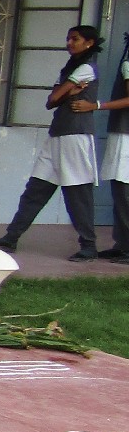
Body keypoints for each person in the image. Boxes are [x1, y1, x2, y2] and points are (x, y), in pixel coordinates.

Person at [0, 25, 103, 261]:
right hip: (58, 134)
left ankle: (88, 246)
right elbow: (51, 101)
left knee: (77, 193)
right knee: (36, 189)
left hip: (75, 136)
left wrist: (64, 93)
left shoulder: (87, 68)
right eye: (68, 38)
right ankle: (11, 237)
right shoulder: (71, 68)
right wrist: (69, 92)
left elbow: (55, 96)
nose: (69, 43)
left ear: (89, 43)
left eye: (75, 39)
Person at [72, 31, 129, 263]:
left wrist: (95, 105)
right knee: (120, 191)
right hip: (121, 132)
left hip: (126, 135)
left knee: (124, 192)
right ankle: (122, 243)